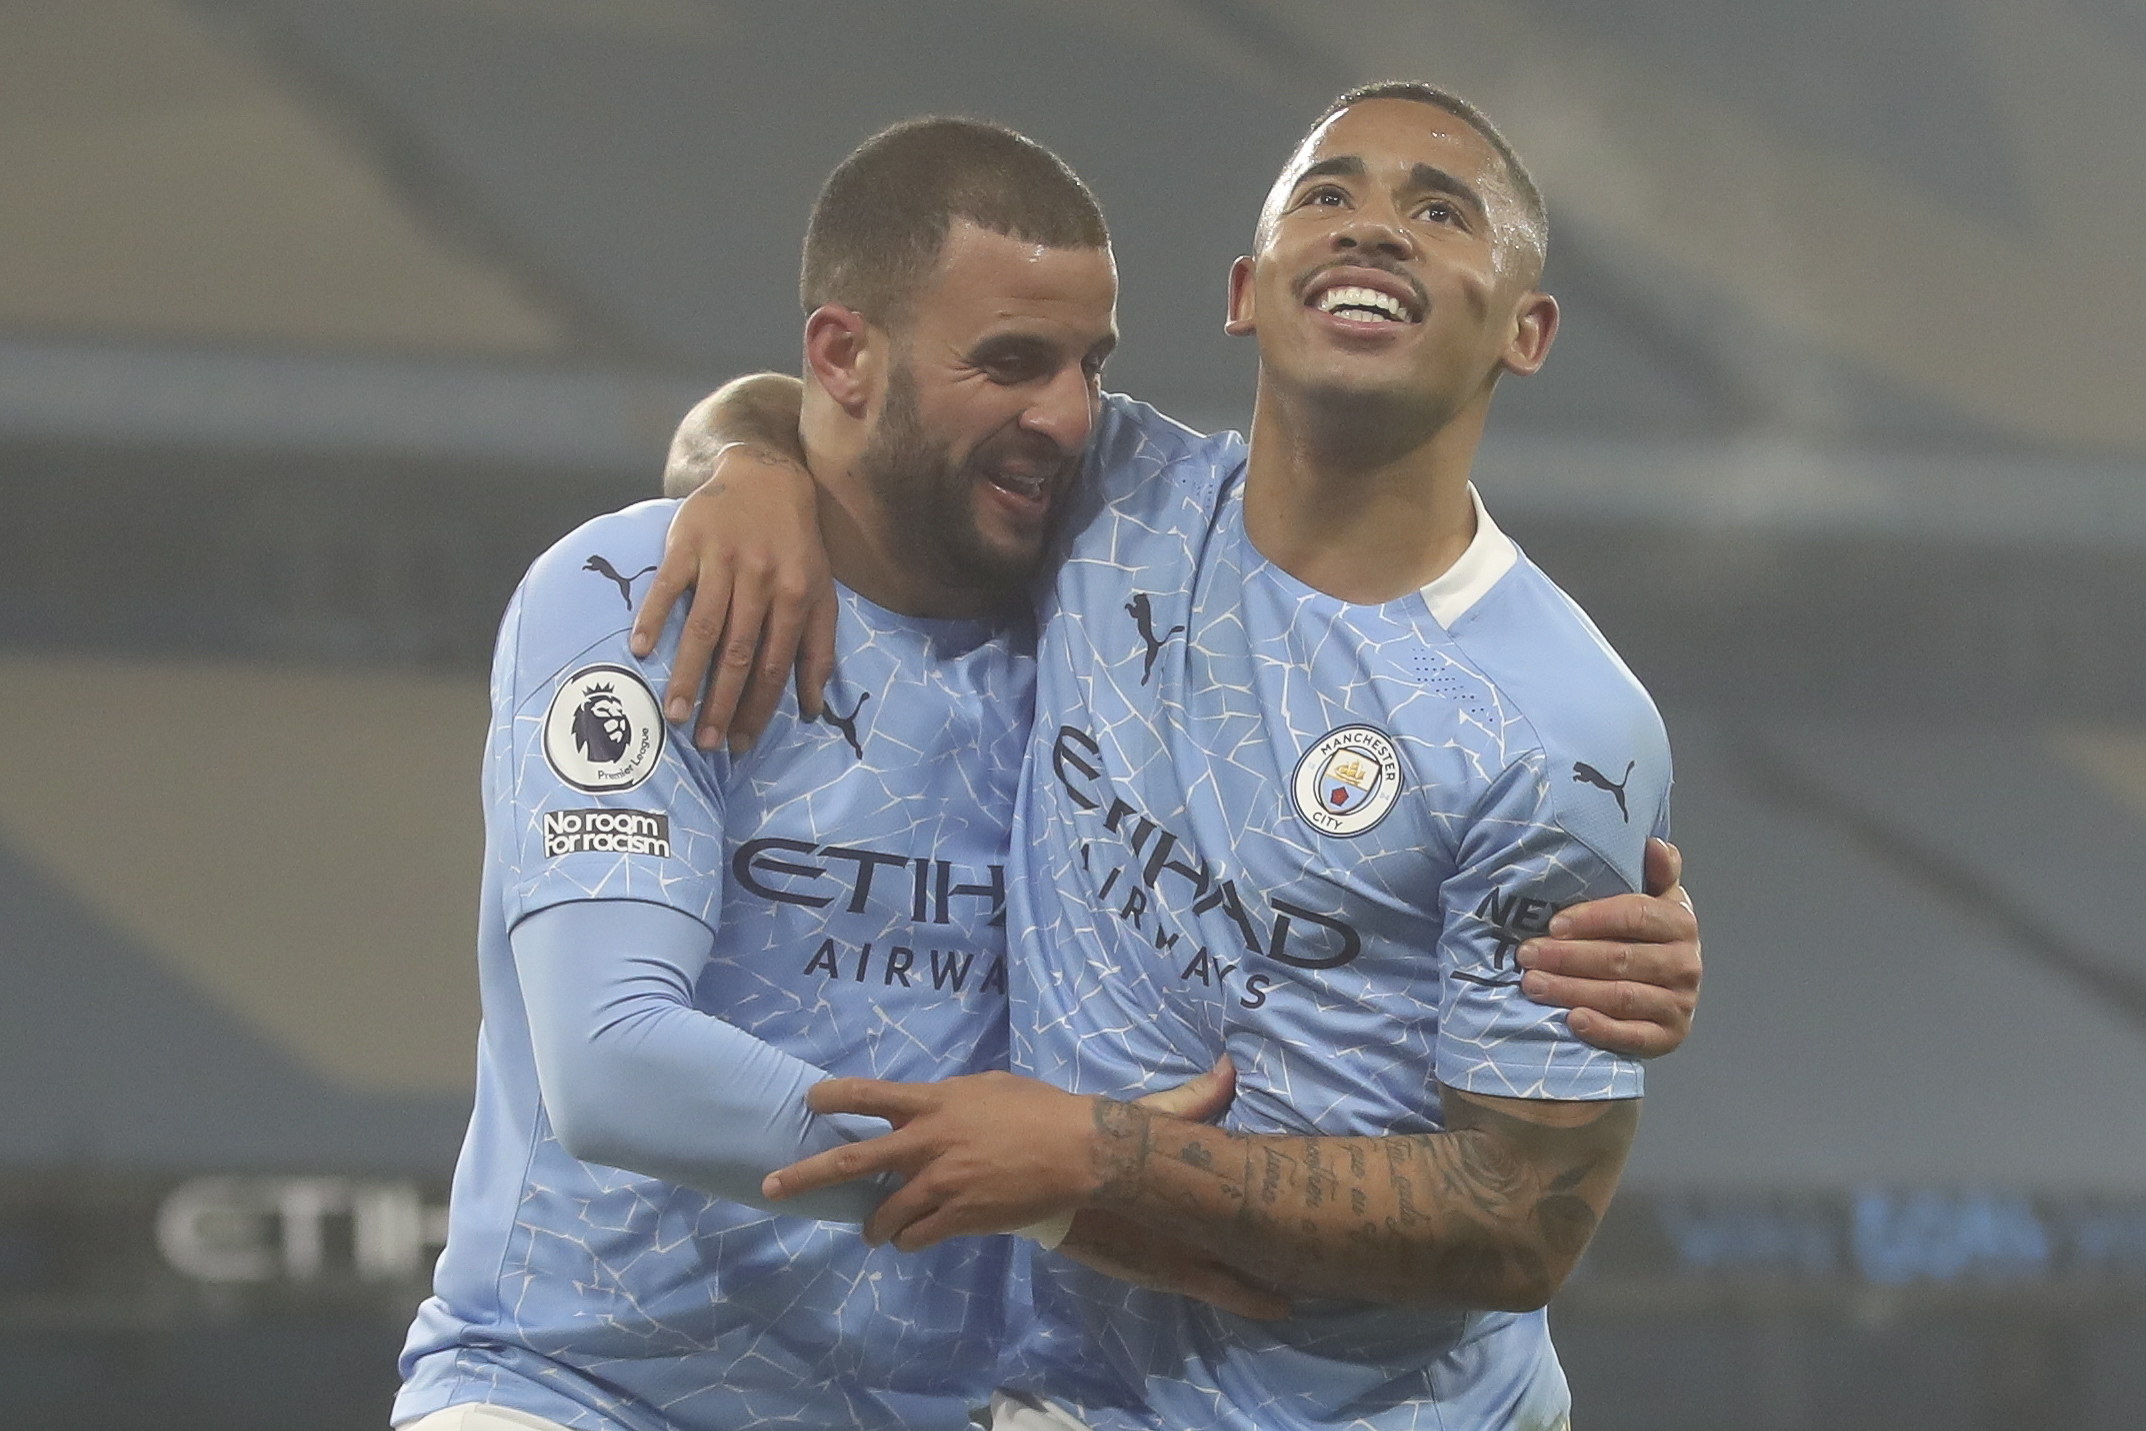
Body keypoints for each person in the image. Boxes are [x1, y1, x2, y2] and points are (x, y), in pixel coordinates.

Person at [647, 88, 1695, 1431]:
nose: (1373, 228)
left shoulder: (1557, 722)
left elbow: (1517, 1225)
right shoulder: (1108, 493)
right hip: (1049, 1396)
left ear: (1527, 330)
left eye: (1439, 212)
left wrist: (1091, 1155)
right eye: (1329, 194)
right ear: (1247, 292)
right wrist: (746, 465)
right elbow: (831, 406)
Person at [394, 120, 1300, 1431]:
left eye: (1086, 366)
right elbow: (609, 1064)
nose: (1064, 413)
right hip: (576, 1393)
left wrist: (1568, 892)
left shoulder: (1100, 637)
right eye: (1009, 363)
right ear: (843, 356)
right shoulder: (642, 595)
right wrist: (1055, 1189)